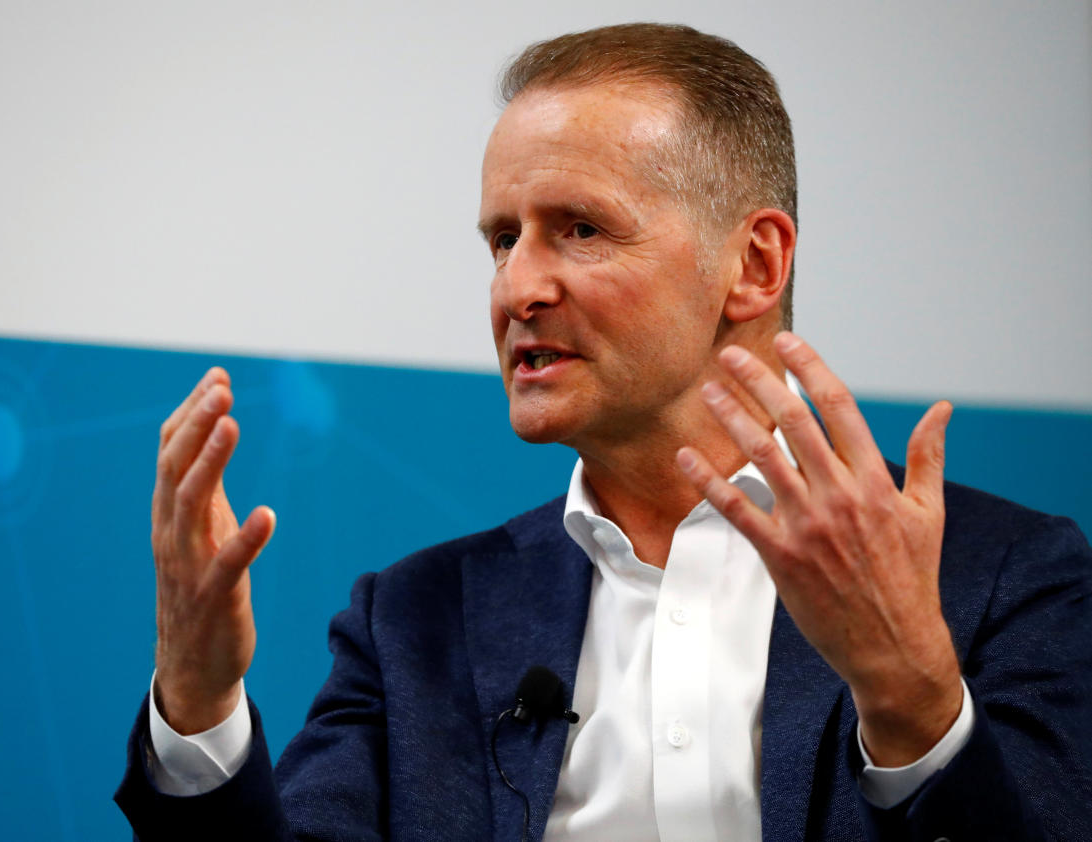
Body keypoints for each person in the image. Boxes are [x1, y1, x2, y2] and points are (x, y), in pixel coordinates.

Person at [115, 23, 1092, 841]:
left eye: (578, 228)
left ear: (751, 264)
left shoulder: (1005, 574)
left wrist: (913, 696)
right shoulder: (412, 619)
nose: (516, 288)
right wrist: (197, 704)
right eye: (503, 239)